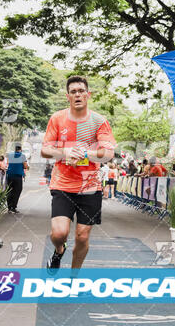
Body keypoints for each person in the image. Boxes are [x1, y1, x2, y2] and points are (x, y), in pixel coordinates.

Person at [41, 75, 115, 273]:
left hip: (89, 186)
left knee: (82, 236)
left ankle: (74, 277)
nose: (78, 95)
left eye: (81, 91)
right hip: (62, 184)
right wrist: (64, 152)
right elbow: (44, 150)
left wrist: (85, 153)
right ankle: (59, 250)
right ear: (68, 97)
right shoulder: (57, 119)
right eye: (73, 92)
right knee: (59, 233)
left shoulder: (99, 121)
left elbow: (108, 153)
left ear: (88, 94)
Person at [6, 144, 29, 214]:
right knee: (17, 191)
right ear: (20, 149)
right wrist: (26, 167)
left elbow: (8, 163)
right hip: (17, 176)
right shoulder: (22, 155)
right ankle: (13, 207)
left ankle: (9, 207)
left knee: (9, 190)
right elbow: (25, 166)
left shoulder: (10, 155)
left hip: (9, 175)